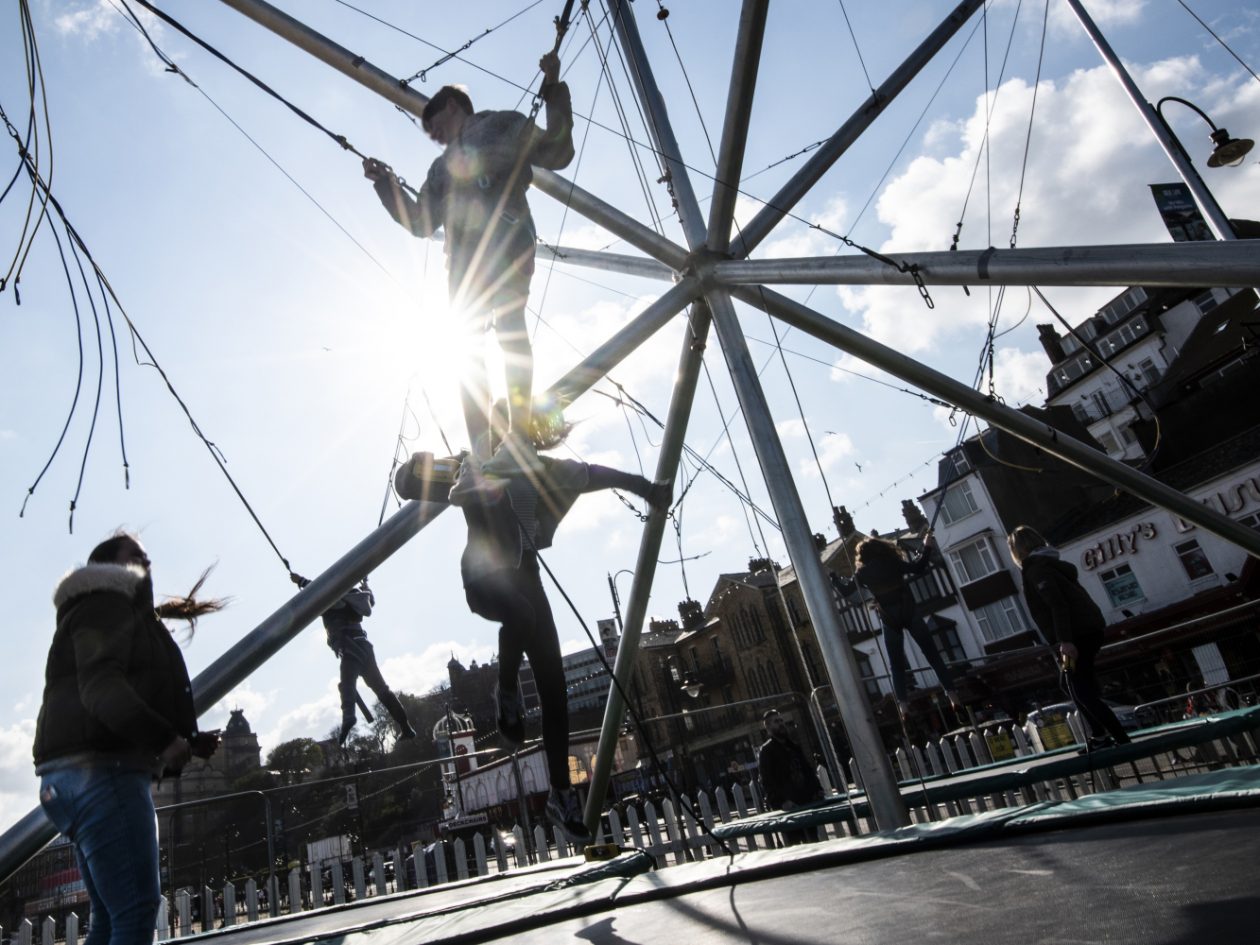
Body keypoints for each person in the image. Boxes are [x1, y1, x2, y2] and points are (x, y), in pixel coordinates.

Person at [447, 402, 669, 845]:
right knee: (520, 615)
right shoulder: (478, 463)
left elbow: (594, 474)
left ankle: (560, 794)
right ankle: (506, 690)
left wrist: (647, 487)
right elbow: (471, 408)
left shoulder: (546, 469)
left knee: (554, 690)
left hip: (526, 577)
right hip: (484, 579)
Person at [363, 51, 575, 474]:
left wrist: (552, 88)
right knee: (466, 352)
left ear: (454, 105)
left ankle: (517, 435)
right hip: (462, 266)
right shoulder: (439, 171)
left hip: (507, 240)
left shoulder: (502, 125)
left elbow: (557, 150)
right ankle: (482, 448)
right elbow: (421, 223)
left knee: (510, 330)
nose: (434, 135)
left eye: (435, 123)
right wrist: (386, 185)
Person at [34, 532, 223, 945]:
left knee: (108, 916)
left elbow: (121, 688)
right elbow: (102, 688)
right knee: (136, 911)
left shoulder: (97, 610)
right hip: (103, 774)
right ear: (108, 568)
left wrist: (184, 740)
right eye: (136, 556)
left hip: (67, 777)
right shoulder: (107, 605)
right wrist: (161, 739)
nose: (147, 562)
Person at [1007, 526, 1130, 749]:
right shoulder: (1049, 564)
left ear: (1017, 550)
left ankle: (1117, 738)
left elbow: (1057, 604)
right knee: (1078, 684)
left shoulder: (1036, 570)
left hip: (1076, 634)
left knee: (1076, 686)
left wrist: (1065, 640)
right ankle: (1102, 735)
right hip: (1088, 628)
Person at [831, 534, 959, 719]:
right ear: (882, 548)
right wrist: (927, 547)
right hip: (909, 611)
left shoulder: (863, 572)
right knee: (933, 657)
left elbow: (846, 591)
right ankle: (953, 697)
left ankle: (904, 708)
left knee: (897, 666)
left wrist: (834, 577)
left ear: (863, 556)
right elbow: (919, 567)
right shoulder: (892, 561)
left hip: (889, 617)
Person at [291, 574, 417, 745]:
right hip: (364, 645)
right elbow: (370, 599)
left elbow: (317, 590)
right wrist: (366, 585)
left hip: (349, 646)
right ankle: (406, 727)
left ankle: (348, 716)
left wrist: (300, 581)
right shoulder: (358, 598)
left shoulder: (332, 600)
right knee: (382, 690)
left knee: (347, 684)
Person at [756, 710, 823, 845]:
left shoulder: (794, 746)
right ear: (768, 728)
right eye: (776, 721)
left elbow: (807, 770)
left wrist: (817, 789)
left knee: (814, 842)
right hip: (788, 807)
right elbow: (767, 781)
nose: (781, 724)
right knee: (795, 846)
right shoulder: (767, 751)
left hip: (805, 802)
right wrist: (781, 802)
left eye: (781, 720)